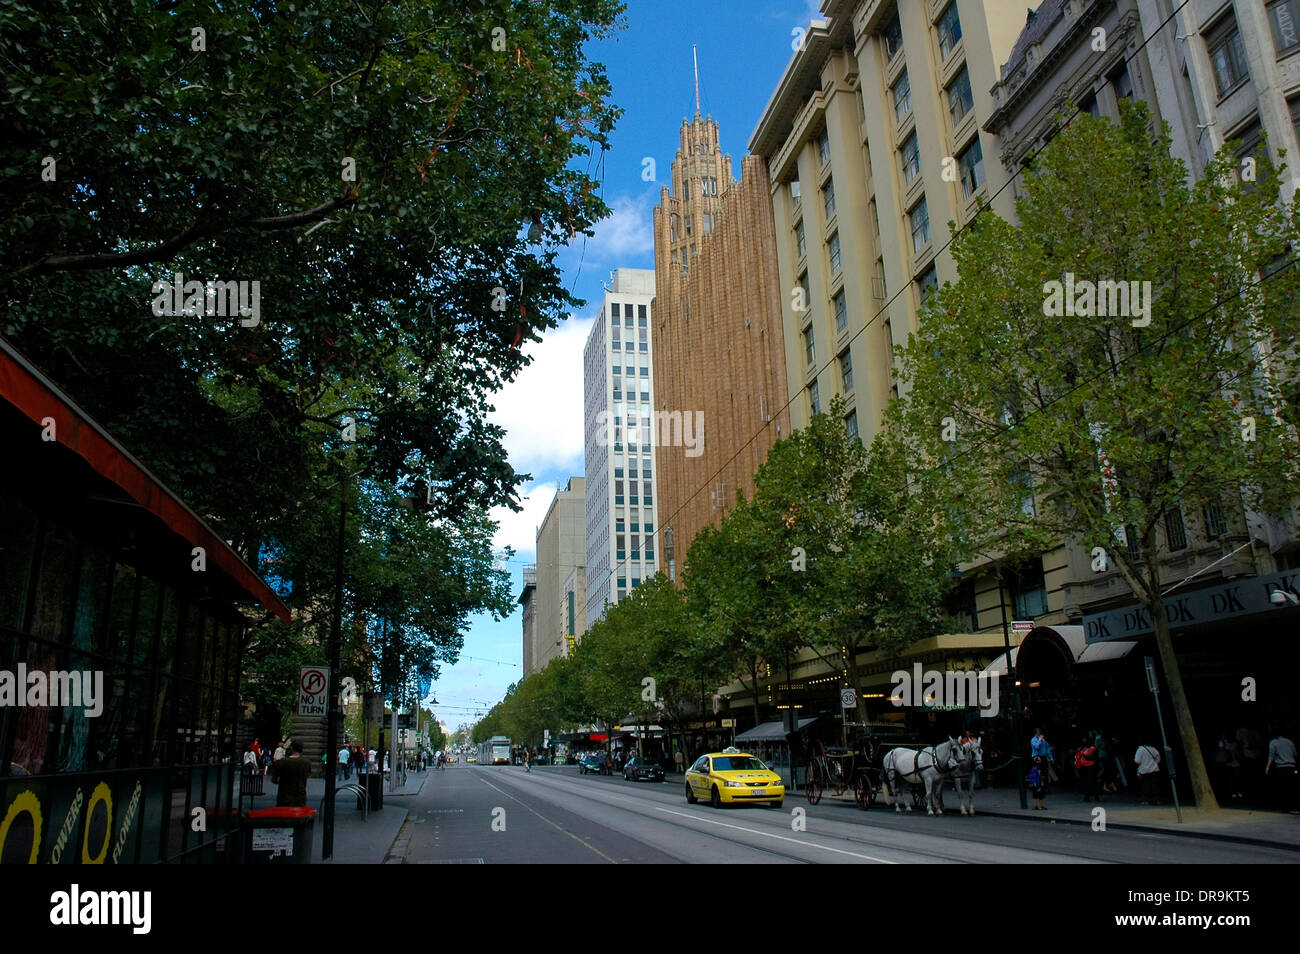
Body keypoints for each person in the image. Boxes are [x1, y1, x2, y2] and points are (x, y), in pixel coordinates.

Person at [1265, 730, 1297, 814]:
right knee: (1291, 788)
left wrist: (1267, 767)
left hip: (1281, 767)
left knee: (1282, 788)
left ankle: (1284, 807)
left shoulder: (1273, 742)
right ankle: (1292, 806)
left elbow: (1271, 755)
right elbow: (1295, 753)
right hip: (1291, 766)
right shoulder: (1289, 741)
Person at [271, 740, 311, 807]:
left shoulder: (282, 762)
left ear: (291, 748)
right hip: (300, 797)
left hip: (284, 797)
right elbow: (307, 775)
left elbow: (274, 780)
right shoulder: (307, 763)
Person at [1075, 734, 1101, 802]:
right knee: (1086, 782)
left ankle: (1095, 796)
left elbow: (1088, 756)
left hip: (1091, 766)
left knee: (1092, 781)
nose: (1083, 740)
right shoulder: (1083, 747)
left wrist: (1083, 752)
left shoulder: (1092, 747)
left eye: (1085, 739)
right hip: (1084, 766)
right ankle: (1087, 797)